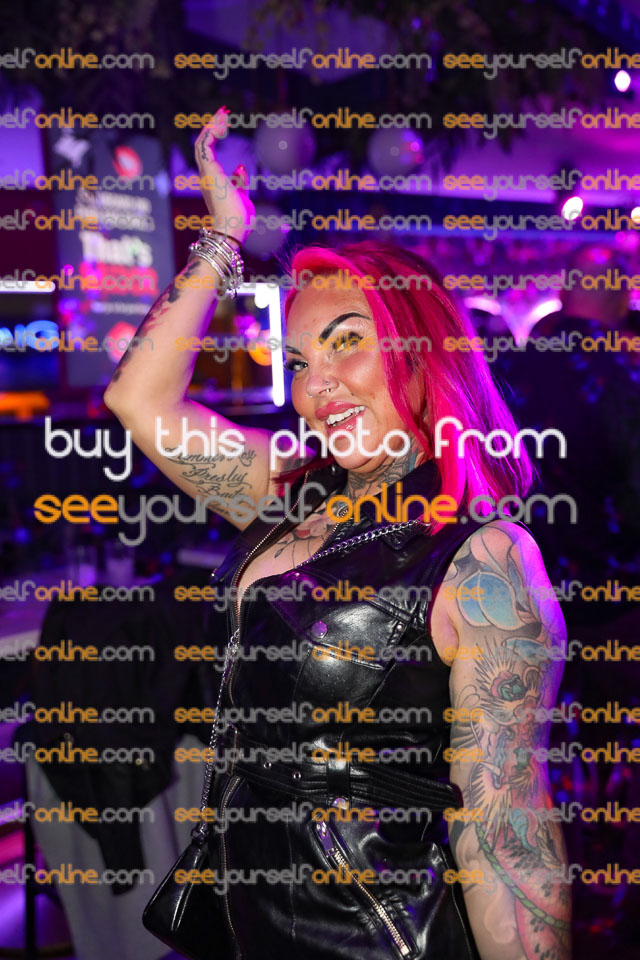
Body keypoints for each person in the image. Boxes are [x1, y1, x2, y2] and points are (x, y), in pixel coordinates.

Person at [105, 106, 570, 960]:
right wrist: (223, 237)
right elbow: (138, 398)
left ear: (420, 348)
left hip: (373, 937)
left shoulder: (485, 559)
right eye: (300, 362)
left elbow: (505, 832)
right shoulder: (292, 489)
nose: (316, 387)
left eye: (346, 343)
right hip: (243, 924)